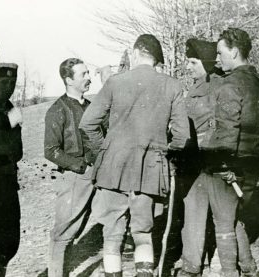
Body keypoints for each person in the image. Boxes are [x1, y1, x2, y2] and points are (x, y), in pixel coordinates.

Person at [79, 34, 191, 277]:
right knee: (143, 233)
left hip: (113, 170)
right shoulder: (172, 85)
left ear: (136, 52)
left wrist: (105, 151)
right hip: (150, 170)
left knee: (112, 234)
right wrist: (163, 155)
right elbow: (182, 137)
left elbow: (88, 123)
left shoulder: (115, 83)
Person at [179, 28, 259, 277]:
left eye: (220, 53)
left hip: (225, 163)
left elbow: (226, 129)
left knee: (224, 225)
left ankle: (230, 273)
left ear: (233, 51)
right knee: (233, 218)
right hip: (251, 158)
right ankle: (250, 270)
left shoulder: (229, 85)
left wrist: (224, 164)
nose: (218, 59)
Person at [44, 58, 103, 277]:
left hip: (96, 175)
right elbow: (50, 150)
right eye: (83, 75)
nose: (89, 78)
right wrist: (80, 167)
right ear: (69, 80)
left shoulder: (91, 107)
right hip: (73, 178)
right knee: (63, 234)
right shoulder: (58, 110)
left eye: (88, 73)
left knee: (76, 231)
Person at [177, 38, 223, 276]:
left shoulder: (213, 87)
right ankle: (195, 263)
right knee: (196, 211)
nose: (189, 66)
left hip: (205, 159)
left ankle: (196, 264)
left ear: (205, 63)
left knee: (203, 213)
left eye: (193, 62)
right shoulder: (199, 86)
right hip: (197, 160)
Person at [0, 63, 22, 276]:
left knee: (10, 240)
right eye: (4, 82)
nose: (9, 86)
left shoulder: (11, 108)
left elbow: (17, 151)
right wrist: (6, 123)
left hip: (8, 182)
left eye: (12, 82)